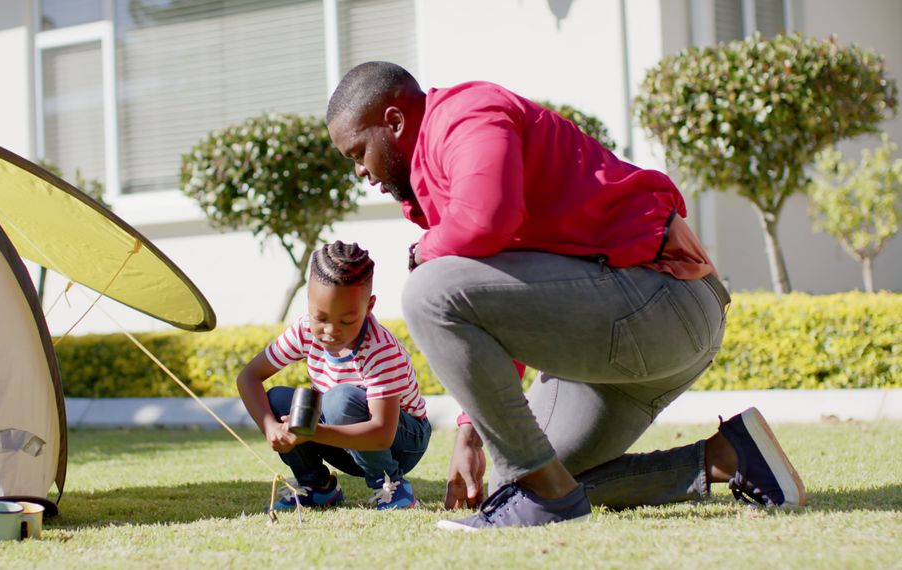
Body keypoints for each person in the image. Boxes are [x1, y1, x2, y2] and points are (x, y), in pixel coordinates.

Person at [325, 61, 805, 530]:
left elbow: (486, 222)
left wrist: (424, 250)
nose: (360, 173)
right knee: (525, 481)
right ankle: (728, 457)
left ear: (393, 121)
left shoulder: (466, 114)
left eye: (357, 152)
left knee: (427, 290)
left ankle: (551, 498)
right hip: (627, 335)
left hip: (664, 299)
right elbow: (489, 313)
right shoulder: (431, 181)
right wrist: (471, 433)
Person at [236, 240, 431, 511]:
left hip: (401, 440)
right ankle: (317, 486)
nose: (330, 330)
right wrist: (271, 427)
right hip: (342, 434)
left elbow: (382, 435)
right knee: (280, 399)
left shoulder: (380, 350)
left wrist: (312, 431)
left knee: (340, 399)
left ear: (369, 306)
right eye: (321, 317)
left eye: (347, 321)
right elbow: (248, 377)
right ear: (309, 301)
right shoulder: (304, 330)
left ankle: (390, 484)